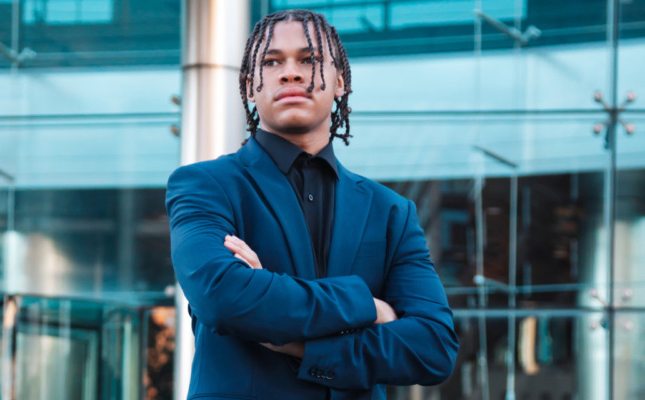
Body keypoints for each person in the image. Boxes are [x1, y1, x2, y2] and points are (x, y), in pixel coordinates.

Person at [166, 9, 458, 400]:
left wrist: (296, 340)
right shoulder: (205, 185)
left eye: (309, 59)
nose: (290, 73)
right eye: (272, 62)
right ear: (250, 87)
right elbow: (223, 297)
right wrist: (370, 307)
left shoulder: (391, 211)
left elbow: (433, 348)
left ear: (340, 82)